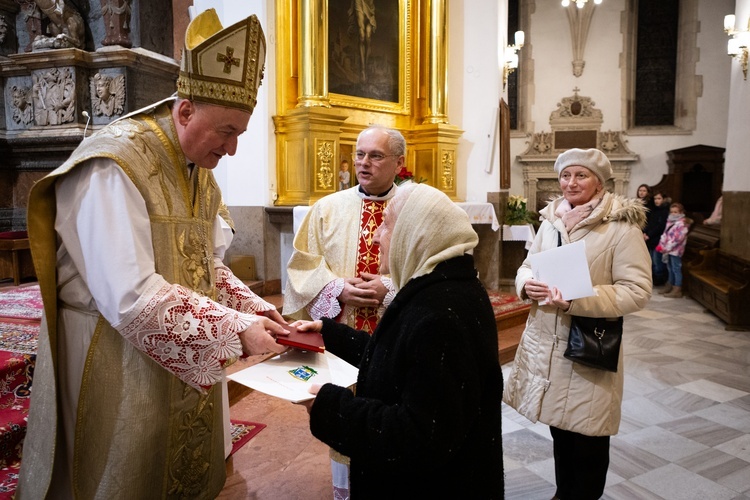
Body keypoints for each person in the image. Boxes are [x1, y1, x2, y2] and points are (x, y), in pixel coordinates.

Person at [17, 10, 289, 499]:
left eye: (238, 135)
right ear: (184, 111)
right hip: (110, 349)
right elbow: (129, 295)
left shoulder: (196, 165)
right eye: (225, 131)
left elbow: (206, 265)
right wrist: (234, 329)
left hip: (167, 351)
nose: (231, 150)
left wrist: (258, 311)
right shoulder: (114, 164)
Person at [293, 182, 504, 498]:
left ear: (415, 232)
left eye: (388, 225)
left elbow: (417, 437)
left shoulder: (440, 314)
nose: (377, 235)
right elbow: (401, 360)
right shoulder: (442, 288)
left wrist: (329, 406)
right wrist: (330, 334)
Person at [503, 148, 652, 500]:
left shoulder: (621, 227)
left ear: (599, 182)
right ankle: (562, 493)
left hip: (588, 345)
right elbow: (528, 265)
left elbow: (637, 290)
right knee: (561, 429)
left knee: (588, 436)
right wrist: (527, 284)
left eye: (581, 175)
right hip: (547, 344)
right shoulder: (551, 219)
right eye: (566, 176)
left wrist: (575, 301)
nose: (571, 183)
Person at [284, 124, 402, 498]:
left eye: (376, 155)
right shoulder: (327, 209)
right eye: (359, 154)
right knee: (347, 421)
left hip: (396, 340)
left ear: (399, 162)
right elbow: (302, 267)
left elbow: (432, 268)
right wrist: (336, 288)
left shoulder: (416, 211)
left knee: (394, 425)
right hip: (343, 338)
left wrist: (390, 290)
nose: (364, 163)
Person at [656, 202, 692, 298]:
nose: (673, 214)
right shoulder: (670, 221)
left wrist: (667, 247)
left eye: (676, 212)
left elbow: (678, 238)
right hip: (668, 249)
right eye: (672, 212)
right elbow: (665, 234)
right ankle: (670, 285)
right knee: (670, 268)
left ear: (680, 212)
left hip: (676, 250)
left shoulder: (683, 223)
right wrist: (661, 245)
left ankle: (677, 288)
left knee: (676, 269)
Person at [643, 190, 669, 285]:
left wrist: (649, 235)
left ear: (664, 199)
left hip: (658, 239)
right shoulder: (654, 210)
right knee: (651, 261)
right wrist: (645, 233)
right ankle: (653, 278)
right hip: (650, 239)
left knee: (657, 261)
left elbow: (661, 226)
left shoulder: (665, 211)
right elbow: (649, 223)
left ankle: (660, 279)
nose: (656, 201)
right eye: (655, 199)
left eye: (659, 198)